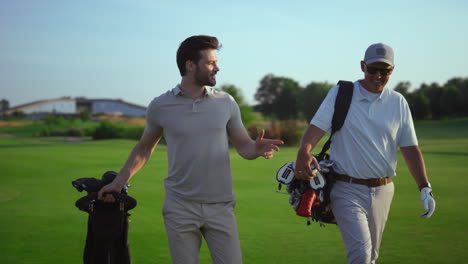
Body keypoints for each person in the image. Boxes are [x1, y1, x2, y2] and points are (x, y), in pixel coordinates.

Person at [97, 35, 284, 264]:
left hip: (220, 206)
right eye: (210, 62)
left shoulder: (226, 102)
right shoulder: (160, 106)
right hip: (180, 207)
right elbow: (144, 148)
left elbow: (244, 146)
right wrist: (118, 181)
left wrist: (256, 148)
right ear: (190, 65)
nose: (217, 67)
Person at [294, 43, 436, 264]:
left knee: (371, 257)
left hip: (384, 190)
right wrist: (304, 150)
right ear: (363, 66)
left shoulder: (398, 102)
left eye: (385, 71)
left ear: (392, 70)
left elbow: (410, 148)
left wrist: (424, 186)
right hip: (346, 188)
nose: (378, 76)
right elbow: (316, 128)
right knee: (360, 254)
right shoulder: (341, 94)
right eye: (373, 69)